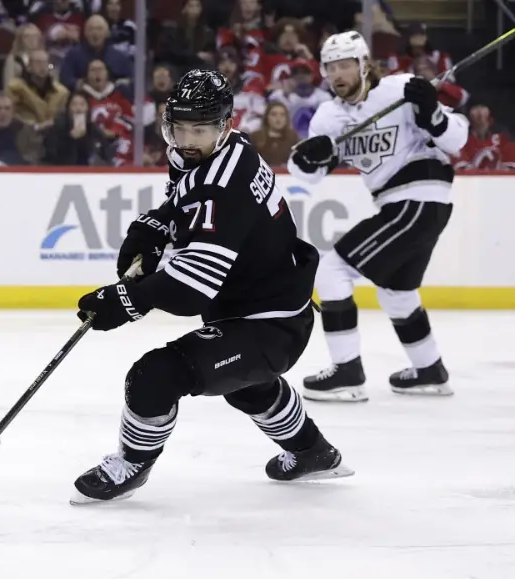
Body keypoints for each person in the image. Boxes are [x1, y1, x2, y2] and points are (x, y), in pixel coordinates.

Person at [70, 69, 352, 504]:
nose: (186, 138)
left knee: (155, 374)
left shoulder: (222, 185)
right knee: (248, 386)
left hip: (270, 325)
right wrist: (156, 224)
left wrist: (127, 300)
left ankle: (132, 464)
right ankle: (314, 453)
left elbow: (191, 289)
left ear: (225, 125)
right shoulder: (221, 151)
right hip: (259, 308)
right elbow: (187, 204)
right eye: (179, 126)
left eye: (199, 128)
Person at [288, 31, 465, 402]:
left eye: (346, 65)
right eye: (331, 67)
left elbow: (457, 138)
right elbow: (310, 173)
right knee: (397, 292)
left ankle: (347, 371)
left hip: (419, 198)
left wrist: (432, 114)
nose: (338, 74)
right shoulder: (331, 116)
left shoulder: (401, 90)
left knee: (331, 267)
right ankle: (430, 369)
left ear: (364, 64)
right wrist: (306, 157)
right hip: (404, 207)